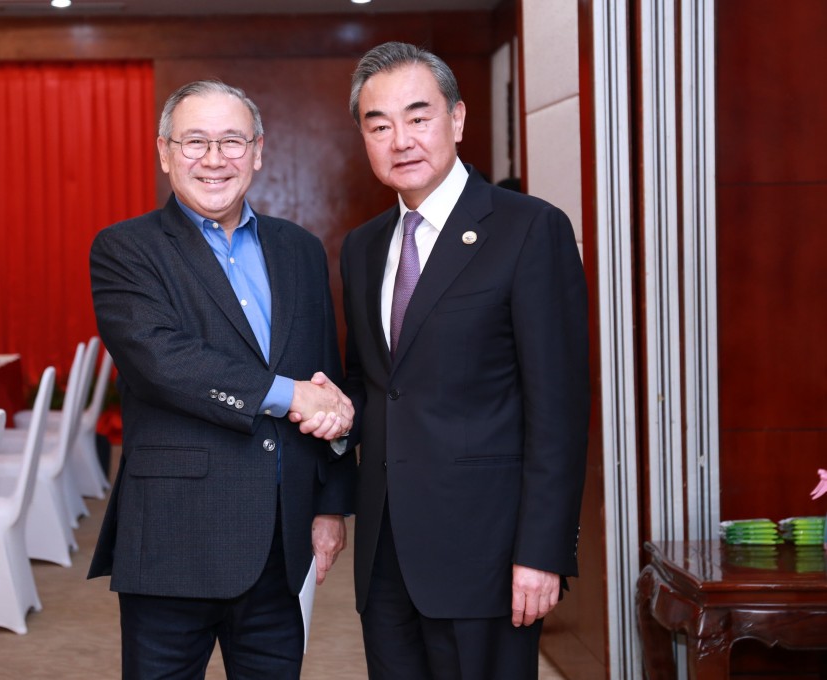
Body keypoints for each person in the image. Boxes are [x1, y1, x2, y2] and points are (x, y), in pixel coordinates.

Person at [334, 42, 590, 678]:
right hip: (386, 554)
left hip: (489, 552)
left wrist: (543, 552)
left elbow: (557, 409)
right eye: (379, 124)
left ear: (458, 119)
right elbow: (367, 390)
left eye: (418, 117)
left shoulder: (529, 229)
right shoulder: (363, 248)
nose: (401, 140)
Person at [87, 79, 356, 680]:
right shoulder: (126, 249)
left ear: (258, 151)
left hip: (279, 542)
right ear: (164, 152)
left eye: (232, 141)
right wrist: (292, 397)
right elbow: (163, 361)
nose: (215, 159)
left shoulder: (301, 249)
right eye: (195, 141)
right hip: (173, 538)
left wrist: (331, 505)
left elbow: (326, 374)